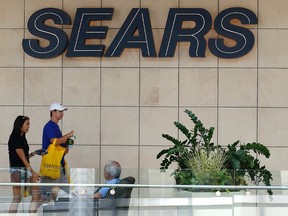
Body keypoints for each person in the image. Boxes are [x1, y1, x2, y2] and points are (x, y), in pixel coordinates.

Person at [8, 115, 44, 213]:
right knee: (35, 195)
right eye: (27, 124)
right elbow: (23, 159)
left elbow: (23, 157)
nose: (29, 126)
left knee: (17, 199)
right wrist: (33, 172)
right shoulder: (15, 138)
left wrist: (34, 153)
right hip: (19, 171)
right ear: (20, 125)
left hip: (18, 170)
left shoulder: (21, 138)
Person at [41, 102, 74, 201]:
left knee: (65, 193)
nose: (62, 113)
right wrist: (67, 136)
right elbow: (54, 141)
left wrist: (67, 145)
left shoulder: (55, 127)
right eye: (60, 111)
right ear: (53, 112)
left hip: (59, 165)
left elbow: (60, 148)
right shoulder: (49, 126)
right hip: (52, 166)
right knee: (45, 197)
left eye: (62, 111)